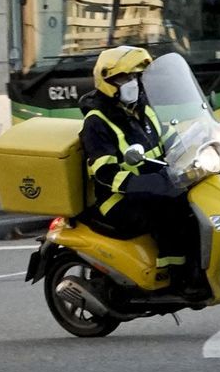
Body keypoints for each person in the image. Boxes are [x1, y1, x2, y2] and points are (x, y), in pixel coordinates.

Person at [77, 45, 206, 297]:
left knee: (193, 201)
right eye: (124, 78)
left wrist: (195, 145)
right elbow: (105, 172)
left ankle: (200, 267)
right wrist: (148, 184)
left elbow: (167, 139)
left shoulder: (143, 109)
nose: (132, 83)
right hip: (117, 200)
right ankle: (177, 280)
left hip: (154, 184)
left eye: (136, 76)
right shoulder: (96, 122)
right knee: (172, 213)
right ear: (108, 82)